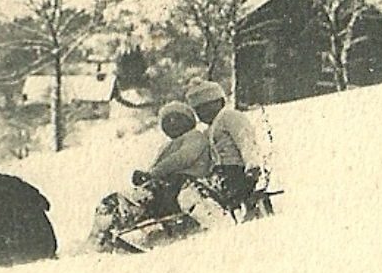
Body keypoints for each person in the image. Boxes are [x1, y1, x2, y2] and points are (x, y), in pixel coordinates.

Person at [91, 101, 214, 247]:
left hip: (181, 183)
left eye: (177, 118)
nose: (172, 123)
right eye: (168, 121)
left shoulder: (194, 136)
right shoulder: (169, 145)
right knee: (114, 202)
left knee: (126, 202)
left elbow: (183, 158)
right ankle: (105, 235)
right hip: (168, 184)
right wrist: (145, 176)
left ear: (189, 121)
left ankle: (112, 229)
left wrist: (152, 174)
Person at [186, 80, 267, 213]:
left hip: (236, 171)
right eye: (198, 110)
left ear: (220, 102)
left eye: (206, 106)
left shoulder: (229, 116)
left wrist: (252, 164)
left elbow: (244, 139)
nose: (202, 113)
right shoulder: (210, 130)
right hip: (221, 173)